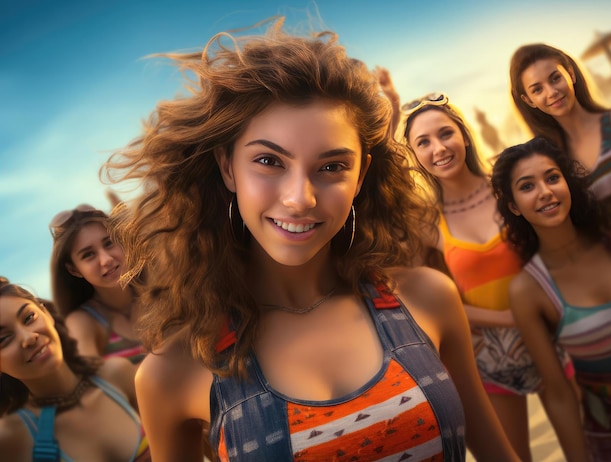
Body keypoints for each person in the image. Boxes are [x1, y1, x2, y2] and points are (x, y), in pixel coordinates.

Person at [102, 18, 519, 462]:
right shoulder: (174, 370)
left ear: (360, 176)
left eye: (332, 166)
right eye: (268, 160)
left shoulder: (427, 297)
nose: (299, 198)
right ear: (227, 168)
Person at [401, 91, 573, 461]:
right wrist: (505, 318)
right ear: (415, 156)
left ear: (463, 134)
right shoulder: (427, 222)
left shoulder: (510, 186)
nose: (439, 148)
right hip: (490, 357)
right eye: (423, 143)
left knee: (586, 446)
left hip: (553, 336)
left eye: (445, 133)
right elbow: (427, 303)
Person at [491, 136, 611, 461]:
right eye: (527, 186)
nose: (545, 191)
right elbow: (559, 395)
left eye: (552, 178)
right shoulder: (529, 291)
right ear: (513, 206)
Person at [0, 277, 150, 461]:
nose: (29, 338)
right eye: (4, 339)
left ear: (46, 313)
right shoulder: (10, 438)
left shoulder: (116, 374)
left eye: (29, 318)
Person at [509, 43, 611, 238]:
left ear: (570, 74)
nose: (551, 92)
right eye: (537, 90)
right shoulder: (549, 161)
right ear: (528, 100)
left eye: (555, 78)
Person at [49, 204, 144, 364]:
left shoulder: (161, 293)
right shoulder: (83, 322)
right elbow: (97, 386)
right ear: (74, 270)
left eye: (109, 243)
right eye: (89, 255)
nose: (106, 260)